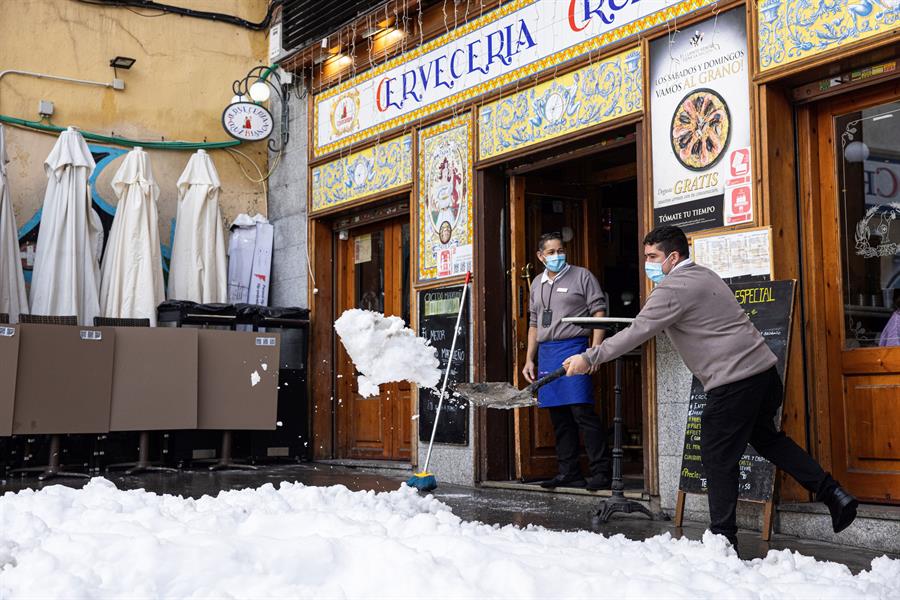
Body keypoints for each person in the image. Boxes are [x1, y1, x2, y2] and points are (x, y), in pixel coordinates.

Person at [563, 225, 858, 548]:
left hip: (733, 382)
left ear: (672, 257)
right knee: (768, 440)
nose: (647, 263)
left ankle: (723, 540)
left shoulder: (672, 288)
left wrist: (590, 358)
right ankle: (833, 492)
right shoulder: (705, 275)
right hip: (764, 374)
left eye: (652, 257)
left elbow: (638, 331)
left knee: (717, 458)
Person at [524, 232, 612, 491]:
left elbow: (599, 312)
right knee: (559, 416)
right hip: (548, 352)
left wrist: (594, 351)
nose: (557, 256)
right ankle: (569, 472)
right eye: (550, 252)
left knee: (581, 411)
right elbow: (533, 323)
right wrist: (530, 359)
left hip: (574, 347)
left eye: (560, 250)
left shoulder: (582, 276)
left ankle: (601, 471)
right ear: (540, 256)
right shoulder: (537, 282)